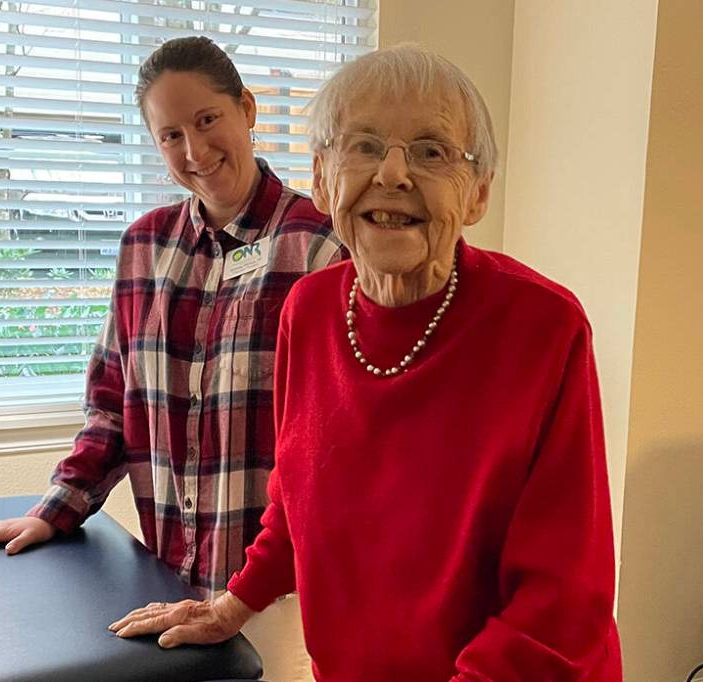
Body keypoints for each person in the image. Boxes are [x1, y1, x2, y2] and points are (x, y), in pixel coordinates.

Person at [109, 44, 622, 681]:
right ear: (323, 180)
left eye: (432, 151)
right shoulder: (310, 310)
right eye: (365, 146)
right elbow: (296, 503)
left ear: (479, 192)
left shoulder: (543, 327)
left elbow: (562, 603)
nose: (393, 174)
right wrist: (231, 605)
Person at [0, 36, 343, 682]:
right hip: (169, 578)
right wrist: (56, 509)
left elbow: (336, 450)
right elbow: (110, 408)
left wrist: (251, 592)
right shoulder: (144, 247)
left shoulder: (321, 244)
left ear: (247, 108)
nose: (194, 150)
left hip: (282, 595)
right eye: (170, 135)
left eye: (208, 120)